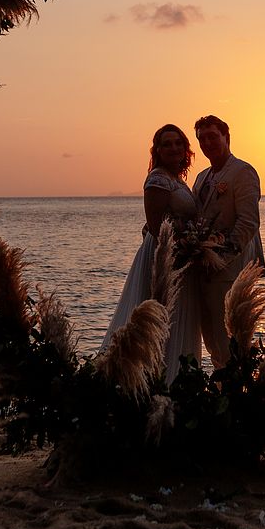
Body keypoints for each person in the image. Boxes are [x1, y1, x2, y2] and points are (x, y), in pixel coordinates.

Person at [102, 124, 202, 384]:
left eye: (178, 143)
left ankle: (173, 381)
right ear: (157, 150)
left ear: (186, 149)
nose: (173, 148)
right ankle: (142, 380)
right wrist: (176, 251)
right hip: (163, 256)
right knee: (156, 315)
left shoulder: (176, 180)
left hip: (181, 258)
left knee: (177, 318)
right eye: (166, 144)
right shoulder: (157, 179)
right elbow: (156, 227)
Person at [191, 114, 265, 368]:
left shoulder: (243, 172)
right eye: (202, 139)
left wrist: (221, 257)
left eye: (213, 136)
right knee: (211, 339)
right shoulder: (201, 177)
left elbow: (248, 222)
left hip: (231, 270)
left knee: (230, 341)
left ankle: (236, 395)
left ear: (226, 137)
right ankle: (222, 392)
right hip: (204, 270)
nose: (207, 142)